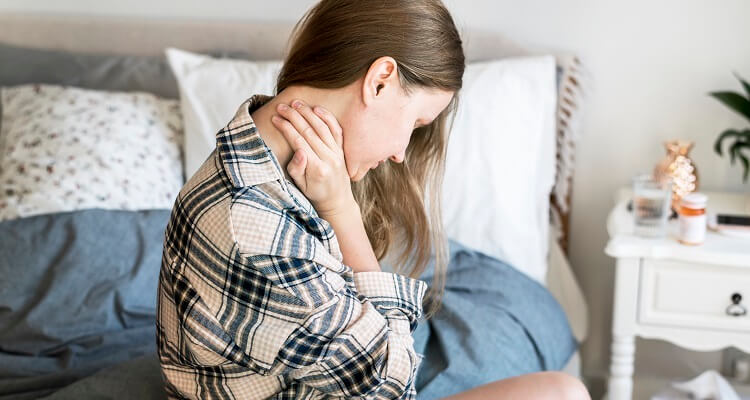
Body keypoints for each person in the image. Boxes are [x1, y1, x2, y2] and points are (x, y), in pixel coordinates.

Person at [156, 0, 592, 399]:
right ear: (381, 81)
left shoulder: (251, 140)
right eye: (416, 123)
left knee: (560, 390)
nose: (402, 153)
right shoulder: (259, 230)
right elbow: (395, 385)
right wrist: (343, 212)